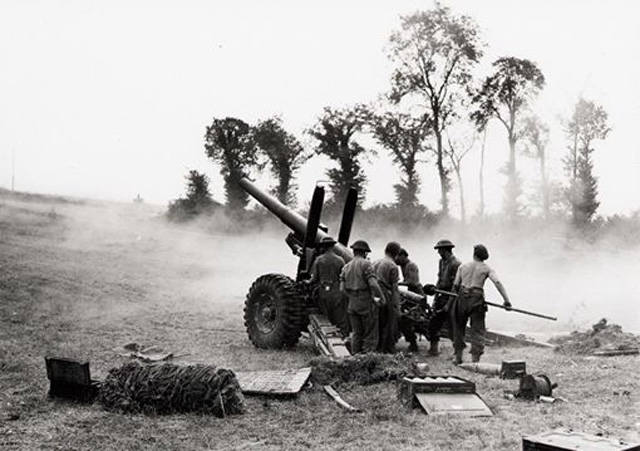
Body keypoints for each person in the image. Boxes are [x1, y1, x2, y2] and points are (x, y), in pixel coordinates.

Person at [451, 244, 512, 364]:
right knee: (477, 329)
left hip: (462, 297)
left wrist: (461, 295)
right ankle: (475, 360)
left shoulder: (463, 266)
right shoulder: (486, 268)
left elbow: (456, 284)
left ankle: (457, 357)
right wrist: (506, 300)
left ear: (474, 254)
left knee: (459, 328)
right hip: (476, 299)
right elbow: (497, 282)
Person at [340, 240, 385, 354]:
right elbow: (373, 284)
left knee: (356, 333)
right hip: (365, 303)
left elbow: (341, 289)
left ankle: (356, 356)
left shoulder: (346, 267)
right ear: (365, 253)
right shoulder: (366, 264)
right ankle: (368, 357)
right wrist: (381, 298)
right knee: (370, 333)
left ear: (354, 251)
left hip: (352, 304)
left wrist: (352, 296)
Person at [424, 239, 461, 357]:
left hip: (452, 297)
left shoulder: (456, 264)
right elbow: (439, 280)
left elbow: (456, 287)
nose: (438, 252)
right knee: (434, 323)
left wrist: (448, 305)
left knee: (452, 326)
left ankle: (457, 353)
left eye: (440, 250)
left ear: (446, 250)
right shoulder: (441, 262)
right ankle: (434, 350)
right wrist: (435, 299)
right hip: (441, 295)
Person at [310, 236, 349, 335]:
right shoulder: (340, 260)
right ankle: (343, 336)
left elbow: (314, 279)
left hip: (324, 292)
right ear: (332, 246)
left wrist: (307, 282)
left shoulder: (319, 260)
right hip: (337, 292)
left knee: (326, 317)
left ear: (323, 247)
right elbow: (344, 278)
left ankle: (327, 335)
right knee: (340, 317)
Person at [373, 242, 402, 354]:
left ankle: (377, 347)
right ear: (396, 253)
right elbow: (395, 289)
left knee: (377, 321)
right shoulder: (392, 266)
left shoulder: (375, 262)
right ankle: (387, 348)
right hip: (386, 293)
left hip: (374, 293)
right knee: (389, 322)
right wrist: (397, 307)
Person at [395, 248, 424, 353]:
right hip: (410, 295)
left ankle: (413, 343)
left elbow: (412, 282)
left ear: (403, 256)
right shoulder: (403, 266)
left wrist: (396, 283)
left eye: (397, 256)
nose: (395, 259)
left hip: (416, 296)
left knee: (406, 320)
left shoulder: (410, 265)